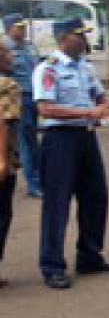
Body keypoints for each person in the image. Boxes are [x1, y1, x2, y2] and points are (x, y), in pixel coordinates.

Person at [34, 18, 109, 290]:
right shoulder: (48, 69)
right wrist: (87, 113)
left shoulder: (85, 66)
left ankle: (90, 255)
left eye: (85, 35)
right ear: (63, 38)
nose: (84, 40)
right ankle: (52, 266)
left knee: (96, 197)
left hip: (86, 137)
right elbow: (45, 108)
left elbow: (99, 98)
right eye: (79, 35)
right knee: (57, 205)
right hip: (60, 140)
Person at [3, 13, 41, 198]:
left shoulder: (30, 46)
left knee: (33, 140)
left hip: (34, 97)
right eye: (19, 27)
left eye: (23, 26)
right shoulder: (5, 50)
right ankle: (33, 184)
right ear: (9, 29)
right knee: (25, 141)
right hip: (19, 98)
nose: (23, 30)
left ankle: (39, 179)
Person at [0, 42, 21, 288]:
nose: (12, 57)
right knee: (2, 215)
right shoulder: (8, 85)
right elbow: (4, 123)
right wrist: (3, 160)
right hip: (3, 156)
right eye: (8, 53)